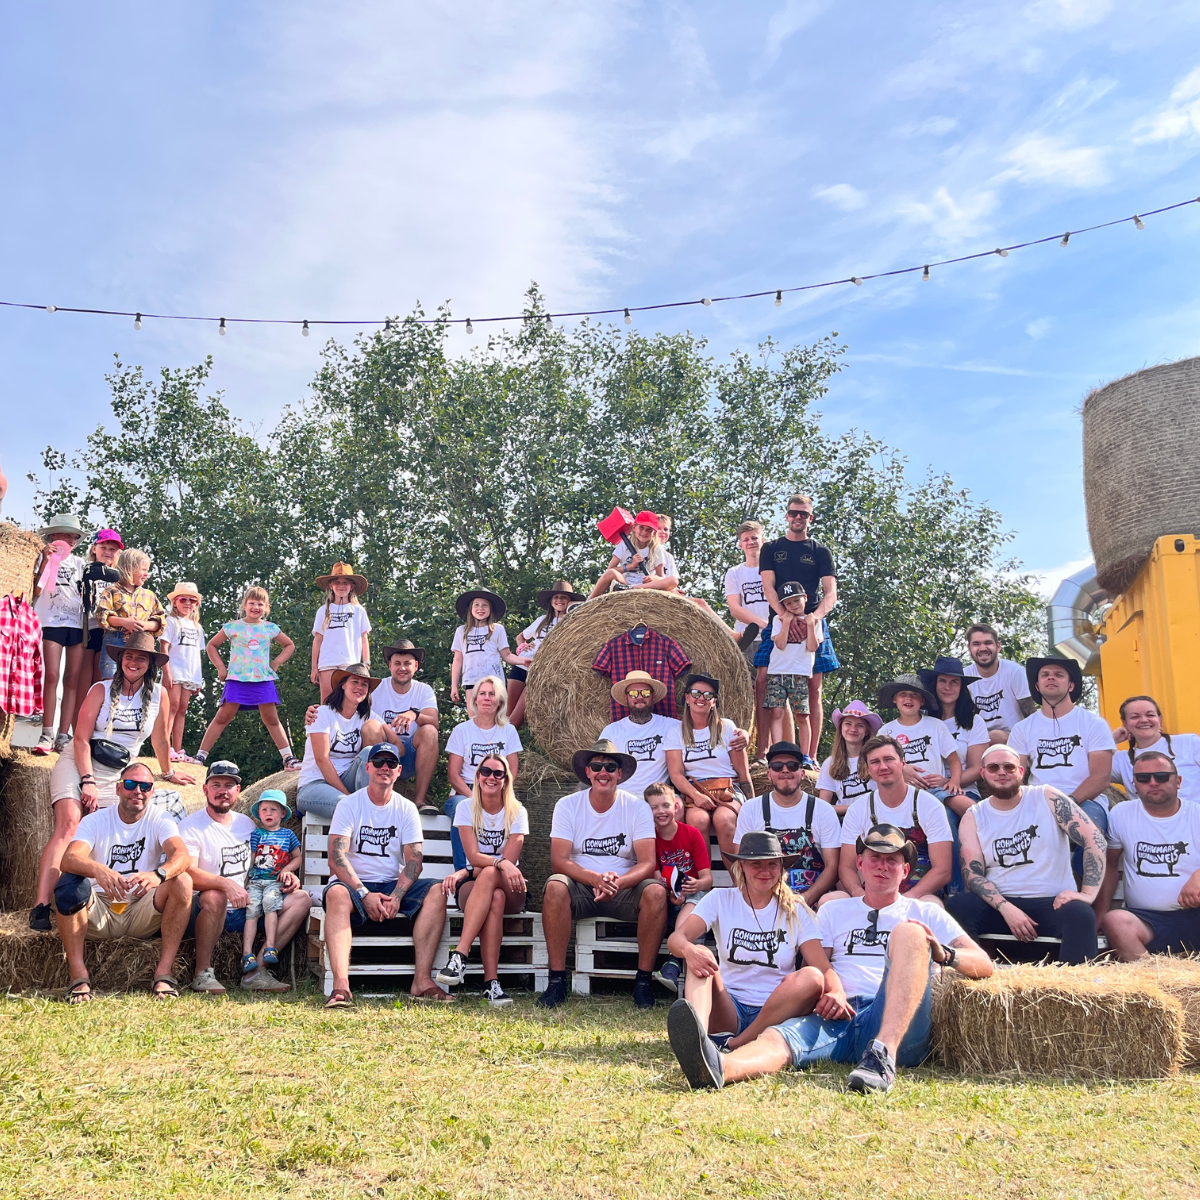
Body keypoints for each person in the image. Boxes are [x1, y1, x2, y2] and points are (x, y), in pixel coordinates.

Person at [687, 824, 993, 1093]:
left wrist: (943, 953)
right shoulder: (834, 910)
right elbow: (818, 966)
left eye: (892, 860)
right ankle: (720, 1067)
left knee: (909, 932)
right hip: (838, 1016)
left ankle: (882, 1056)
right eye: (874, 857)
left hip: (893, 1021)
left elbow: (985, 964)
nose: (882, 866)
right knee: (778, 1038)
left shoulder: (925, 912)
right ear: (859, 863)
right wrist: (830, 993)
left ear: (905, 871)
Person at [31, 631, 194, 931]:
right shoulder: (101, 689)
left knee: (112, 832)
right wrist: (87, 780)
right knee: (69, 824)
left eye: (141, 658)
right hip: (81, 761)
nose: (133, 662)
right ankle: (41, 906)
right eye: (129, 656)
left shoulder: (159, 695)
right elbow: (80, 738)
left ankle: (102, 906)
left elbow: (160, 739)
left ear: (150, 664)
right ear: (120, 660)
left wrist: (169, 772)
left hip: (119, 772)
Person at [666, 830, 831, 1086]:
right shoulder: (721, 898)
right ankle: (698, 1039)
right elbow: (677, 939)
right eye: (756, 864)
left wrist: (837, 992)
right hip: (729, 1007)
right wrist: (690, 951)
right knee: (701, 956)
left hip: (777, 1010)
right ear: (741, 866)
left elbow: (822, 967)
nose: (765, 871)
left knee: (812, 977)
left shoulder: (795, 909)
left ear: (781, 868)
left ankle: (735, 1044)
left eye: (772, 864)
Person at [947, 743, 1106, 964]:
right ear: (982, 773)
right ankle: (974, 974)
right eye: (993, 768)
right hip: (1000, 906)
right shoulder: (974, 815)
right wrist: (1006, 908)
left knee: (1081, 914)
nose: (1001, 772)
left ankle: (1074, 983)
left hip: (1053, 904)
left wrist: (1087, 894)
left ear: (1021, 771)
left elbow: (1094, 839)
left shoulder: (1046, 796)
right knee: (958, 907)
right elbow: (973, 875)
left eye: (1009, 767)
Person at [538, 738, 668, 1009]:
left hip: (623, 889)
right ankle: (557, 980)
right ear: (587, 772)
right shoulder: (567, 805)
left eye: (610, 767)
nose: (603, 772)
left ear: (620, 773)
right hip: (581, 887)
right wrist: (594, 879)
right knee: (555, 886)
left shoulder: (637, 807)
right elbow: (559, 861)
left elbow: (647, 863)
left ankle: (643, 982)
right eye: (596, 766)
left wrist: (617, 883)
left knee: (656, 892)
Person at [322, 742, 453, 1007]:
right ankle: (341, 986)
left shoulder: (406, 808)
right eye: (379, 762)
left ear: (398, 770)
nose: (385, 767)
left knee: (437, 891)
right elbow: (336, 859)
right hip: (354, 885)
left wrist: (396, 896)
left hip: (392, 884)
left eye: (391, 763)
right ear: (367, 767)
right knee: (335, 893)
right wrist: (364, 894)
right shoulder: (349, 805)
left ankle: (422, 981)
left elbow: (415, 861)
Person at [53, 760, 194, 1002]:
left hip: (140, 909)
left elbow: (182, 856)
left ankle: (164, 974)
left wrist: (157, 874)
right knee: (69, 885)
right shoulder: (96, 820)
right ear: (118, 788)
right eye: (130, 784)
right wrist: (98, 870)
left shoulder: (160, 818)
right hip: (99, 911)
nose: (137, 791)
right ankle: (78, 976)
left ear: (152, 791)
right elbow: (68, 859)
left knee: (183, 881)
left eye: (145, 786)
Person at [180, 763, 306, 995]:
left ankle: (257, 971)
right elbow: (187, 873)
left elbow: (265, 863)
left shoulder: (247, 824)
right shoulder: (191, 826)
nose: (222, 791)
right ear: (205, 789)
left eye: (229, 786)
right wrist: (225, 885)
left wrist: (288, 878)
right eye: (216, 785)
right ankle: (202, 973)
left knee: (302, 899)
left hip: (247, 907)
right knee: (215, 896)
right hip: (205, 911)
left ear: (238, 790)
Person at [435, 753, 530, 1007]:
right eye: (486, 772)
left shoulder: (517, 812)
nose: (491, 777)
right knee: (494, 897)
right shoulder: (465, 808)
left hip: (512, 887)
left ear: (506, 780)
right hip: (478, 886)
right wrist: (495, 863)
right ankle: (491, 984)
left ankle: (460, 954)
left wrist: (473, 870)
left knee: (492, 876)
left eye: (498, 773)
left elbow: (506, 866)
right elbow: (474, 857)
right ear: (477, 777)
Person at [1008, 656, 1116, 873]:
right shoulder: (1022, 728)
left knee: (1092, 835)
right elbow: (1014, 774)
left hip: (1086, 801)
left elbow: (1101, 778)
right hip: (1038, 801)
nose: (1051, 678)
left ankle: (1081, 890)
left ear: (1071, 685)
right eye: (1045, 675)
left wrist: (1067, 804)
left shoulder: (1093, 724)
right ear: (1037, 686)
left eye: (1059, 674)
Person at [1096, 750, 1200, 959]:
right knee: (1115, 921)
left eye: (1162, 776)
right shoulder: (1121, 814)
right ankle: (1153, 976)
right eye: (1143, 778)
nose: (1153, 783)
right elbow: (1110, 865)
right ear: (1134, 783)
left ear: (1178, 781)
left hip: (1195, 913)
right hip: (1146, 921)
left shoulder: (1196, 814)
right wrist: (1101, 912)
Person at [759, 494, 839, 760]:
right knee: (764, 681)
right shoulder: (771, 548)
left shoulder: (820, 551)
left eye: (803, 514)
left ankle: (810, 757)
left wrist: (812, 619)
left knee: (814, 688)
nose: (798, 517)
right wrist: (786, 617)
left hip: (812, 620)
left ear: (810, 518)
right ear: (787, 516)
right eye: (793, 513)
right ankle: (765, 752)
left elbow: (830, 593)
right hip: (779, 621)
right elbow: (768, 587)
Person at [835, 735, 953, 904]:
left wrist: (904, 901)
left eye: (889, 759)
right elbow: (846, 867)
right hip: (871, 893)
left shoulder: (929, 805)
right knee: (830, 901)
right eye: (875, 762)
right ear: (868, 769)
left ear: (903, 763)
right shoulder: (858, 809)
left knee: (933, 905)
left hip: (918, 895)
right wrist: (859, 896)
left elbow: (942, 870)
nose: (883, 766)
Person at [194, 585, 299, 769]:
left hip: (263, 679)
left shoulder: (270, 628)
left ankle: (288, 757)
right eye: (252, 603)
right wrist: (221, 667)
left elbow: (289, 645)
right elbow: (212, 645)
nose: (255, 607)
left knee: (272, 719)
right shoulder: (233, 626)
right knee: (223, 717)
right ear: (244, 605)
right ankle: (200, 756)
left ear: (266, 607)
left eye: (260, 604)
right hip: (237, 678)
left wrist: (276, 663)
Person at [734, 742, 841, 905]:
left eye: (792, 765)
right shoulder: (751, 809)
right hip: (764, 895)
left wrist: (804, 900)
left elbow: (832, 867)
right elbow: (740, 864)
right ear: (769, 774)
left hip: (812, 897)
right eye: (777, 766)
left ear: (803, 773)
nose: (785, 770)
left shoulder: (823, 810)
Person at [666, 673, 753, 870]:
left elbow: (742, 771)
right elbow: (676, 774)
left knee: (724, 819)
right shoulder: (675, 732)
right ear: (687, 698)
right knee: (697, 820)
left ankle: (739, 881)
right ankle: (704, 880)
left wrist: (753, 805)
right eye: (696, 693)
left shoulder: (727, 727)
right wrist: (696, 796)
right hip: (695, 789)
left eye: (708, 695)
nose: (701, 698)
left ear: (714, 702)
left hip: (728, 787)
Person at [296, 663, 391, 818]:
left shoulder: (367, 717)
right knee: (348, 808)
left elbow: (398, 747)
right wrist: (349, 797)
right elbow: (321, 759)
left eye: (364, 684)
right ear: (343, 685)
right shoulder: (322, 713)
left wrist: (413, 714)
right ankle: (368, 811)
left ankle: (373, 807)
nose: (359, 687)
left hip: (348, 778)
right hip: (316, 783)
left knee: (369, 752)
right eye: (355, 681)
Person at [647, 780, 713, 994]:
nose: (660, 811)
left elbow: (707, 879)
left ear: (676, 806)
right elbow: (656, 876)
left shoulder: (691, 834)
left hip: (692, 899)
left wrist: (696, 884)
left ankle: (673, 962)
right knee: (658, 894)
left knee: (699, 900)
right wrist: (671, 893)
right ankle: (678, 968)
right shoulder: (650, 839)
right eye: (654, 807)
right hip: (666, 900)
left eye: (665, 805)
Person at [445, 674, 523, 844]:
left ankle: (504, 860)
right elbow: (453, 775)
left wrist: (497, 795)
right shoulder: (462, 730)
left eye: (492, 694)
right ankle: (465, 862)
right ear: (475, 699)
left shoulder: (509, 731)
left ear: (500, 702)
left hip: (497, 789)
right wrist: (475, 798)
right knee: (463, 809)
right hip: (465, 791)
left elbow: (512, 771)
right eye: (482, 693)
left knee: (517, 811)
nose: (487, 698)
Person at [31, 513, 85, 755]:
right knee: (51, 675)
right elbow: (37, 590)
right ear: (53, 536)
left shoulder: (80, 563)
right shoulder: (41, 558)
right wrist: (45, 560)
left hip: (76, 624)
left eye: (75, 537)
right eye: (67, 535)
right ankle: (46, 732)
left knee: (72, 679)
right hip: (50, 622)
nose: (71, 540)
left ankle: (64, 735)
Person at [368, 640, 440, 813]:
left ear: (415, 666)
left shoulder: (424, 690)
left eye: (407, 663)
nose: (402, 668)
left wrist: (415, 714)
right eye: (397, 663)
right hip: (382, 752)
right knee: (370, 727)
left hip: (409, 756)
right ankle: (374, 797)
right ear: (390, 666)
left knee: (429, 731)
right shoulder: (376, 688)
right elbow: (354, 712)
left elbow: (434, 722)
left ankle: (420, 800)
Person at [877, 673, 965, 807]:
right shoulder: (885, 731)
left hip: (935, 789)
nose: (908, 698)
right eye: (903, 694)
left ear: (922, 701)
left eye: (914, 695)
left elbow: (954, 761)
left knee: (963, 806)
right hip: (901, 791)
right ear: (894, 698)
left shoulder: (936, 725)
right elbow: (878, 763)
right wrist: (902, 768)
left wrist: (954, 782)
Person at [241, 789, 303, 978]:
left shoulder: (288, 835)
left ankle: (270, 947)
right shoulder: (256, 834)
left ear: (282, 813)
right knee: (252, 910)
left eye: (273, 809)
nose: (268, 813)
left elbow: (298, 857)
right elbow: (251, 859)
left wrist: (287, 870)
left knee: (270, 904)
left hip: (274, 882)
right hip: (255, 881)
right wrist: (244, 882)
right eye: (264, 810)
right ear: (259, 814)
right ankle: (247, 954)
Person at [724, 520, 772, 751]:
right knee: (751, 695)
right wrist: (762, 624)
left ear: (763, 539)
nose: (751, 542)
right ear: (740, 545)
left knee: (778, 698)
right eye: (746, 539)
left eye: (754, 538)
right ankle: (755, 749)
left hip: (775, 639)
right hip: (750, 639)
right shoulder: (735, 573)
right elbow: (735, 608)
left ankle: (778, 748)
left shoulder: (773, 570)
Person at [510, 580, 584, 726]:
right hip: (521, 666)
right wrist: (522, 647)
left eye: (564, 597)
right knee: (506, 714)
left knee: (515, 720)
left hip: (540, 671)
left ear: (570, 601)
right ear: (551, 601)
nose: (559, 600)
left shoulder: (574, 623)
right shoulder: (542, 620)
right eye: (556, 597)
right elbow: (520, 637)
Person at [599, 671, 681, 799]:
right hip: (623, 799)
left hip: (657, 799)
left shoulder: (672, 727)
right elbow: (600, 767)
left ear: (653, 696)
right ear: (626, 697)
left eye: (645, 692)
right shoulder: (612, 731)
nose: (639, 697)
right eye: (633, 693)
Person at [1111, 695, 1200, 805]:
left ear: (1160, 719)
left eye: (1150, 715)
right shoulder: (1120, 760)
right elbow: (1090, 772)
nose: (1144, 720)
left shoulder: (1189, 743)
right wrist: (1111, 740)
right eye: (1135, 717)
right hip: (1147, 816)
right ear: (1125, 723)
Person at [763, 582, 819, 755]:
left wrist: (810, 625)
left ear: (805, 598)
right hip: (777, 672)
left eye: (796, 600)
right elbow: (780, 644)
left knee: (802, 715)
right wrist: (786, 622)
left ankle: (806, 755)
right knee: (777, 712)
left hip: (800, 673)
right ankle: (777, 750)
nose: (794, 605)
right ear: (783, 605)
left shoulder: (814, 620)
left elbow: (812, 647)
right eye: (788, 603)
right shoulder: (778, 620)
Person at [449, 588, 527, 711]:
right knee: (474, 717)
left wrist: (523, 661)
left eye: (485, 605)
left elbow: (507, 655)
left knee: (496, 716)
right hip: (471, 680)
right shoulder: (461, 631)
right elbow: (458, 659)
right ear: (470, 608)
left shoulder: (497, 629)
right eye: (476, 605)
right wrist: (454, 686)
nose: (480, 608)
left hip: (494, 681)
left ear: (491, 609)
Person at [920, 657, 989, 797]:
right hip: (924, 791)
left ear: (961, 687)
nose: (947, 687)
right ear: (935, 684)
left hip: (964, 791)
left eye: (954, 682)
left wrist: (948, 782)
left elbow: (977, 768)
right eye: (942, 681)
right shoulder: (921, 718)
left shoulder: (974, 722)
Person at [75, 528, 123, 728]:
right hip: (88, 629)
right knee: (82, 683)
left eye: (113, 549)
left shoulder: (121, 577)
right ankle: (75, 730)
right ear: (94, 548)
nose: (108, 552)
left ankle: (95, 729)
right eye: (104, 547)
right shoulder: (83, 569)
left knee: (101, 682)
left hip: (110, 632)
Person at [95, 547, 166, 682]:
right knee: (111, 680)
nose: (146, 574)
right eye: (143, 570)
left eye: (147, 570)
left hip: (142, 644)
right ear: (129, 568)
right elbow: (102, 616)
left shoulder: (149, 595)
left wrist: (144, 625)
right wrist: (124, 622)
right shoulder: (111, 591)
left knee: (139, 682)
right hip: (116, 641)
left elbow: (160, 621)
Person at [963, 623, 1036, 743]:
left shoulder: (1014, 671)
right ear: (969, 648)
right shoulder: (964, 676)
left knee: (995, 736)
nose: (982, 648)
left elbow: (1029, 712)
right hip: (977, 741)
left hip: (1013, 739)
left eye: (988, 643)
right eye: (976, 644)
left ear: (998, 646)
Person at [310, 562, 372, 701]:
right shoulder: (323, 610)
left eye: (345, 582)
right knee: (327, 702)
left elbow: (364, 638)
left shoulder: (358, 610)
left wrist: (366, 663)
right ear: (331, 586)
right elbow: (318, 640)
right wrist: (314, 667)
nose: (341, 585)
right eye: (337, 582)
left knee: (348, 701)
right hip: (327, 661)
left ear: (352, 586)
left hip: (350, 662)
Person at [160, 581, 206, 763]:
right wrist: (166, 672)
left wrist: (198, 680)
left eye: (192, 600)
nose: (188, 603)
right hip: (174, 670)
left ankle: (178, 749)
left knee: (182, 708)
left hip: (190, 673)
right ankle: (165, 747)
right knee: (172, 706)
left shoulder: (198, 627)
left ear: (197, 604)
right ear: (175, 602)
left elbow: (196, 655)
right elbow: (164, 647)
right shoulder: (171, 622)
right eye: (183, 599)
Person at [817, 701, 880, 817]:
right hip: (845, 820)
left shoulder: (877, 758)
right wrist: (854, 809)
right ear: (841, 727)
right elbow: (822, 807)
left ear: (867, 731)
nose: (853, 729)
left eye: (860, 725)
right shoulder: (830, 763)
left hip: (876, 818)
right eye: (848, 724)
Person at [587, 510, 671, 598]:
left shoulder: (657, 549)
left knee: (672, 580)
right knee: (610, 573)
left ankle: (636, 588)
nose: (644, 532)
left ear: (654, 532)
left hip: (647, 586)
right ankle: (589, 601)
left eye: (649, 530)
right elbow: (610, 569)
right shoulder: (623, 545)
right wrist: (630, 566)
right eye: (641, 527)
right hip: (625, 583)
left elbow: (661, 577)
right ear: (634, 527)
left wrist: (654, 578)